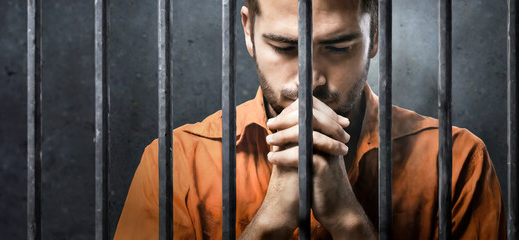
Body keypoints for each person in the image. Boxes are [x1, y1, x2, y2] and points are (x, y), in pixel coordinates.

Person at [114, 0, 506, 238]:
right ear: (248, 31)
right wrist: (270, 223)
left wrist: (347, 220)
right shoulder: (176, 163)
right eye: (284, 47)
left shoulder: (456, 160)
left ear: (375, 35)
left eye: (338, 47)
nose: (310, 78)